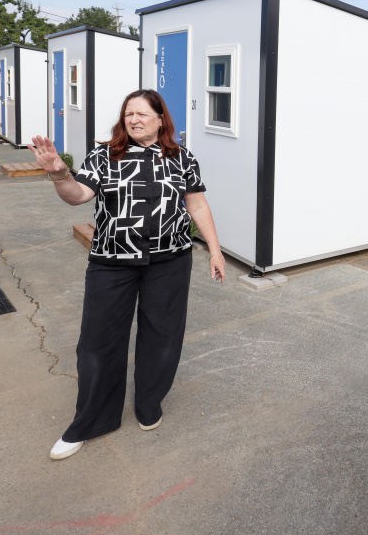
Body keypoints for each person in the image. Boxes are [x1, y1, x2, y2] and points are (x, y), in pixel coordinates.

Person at [27, 89, 226, 460]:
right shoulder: (104, 155)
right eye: (128, 114)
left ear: (161, 119)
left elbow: (196, 203)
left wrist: (214, 250)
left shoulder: (182, 159)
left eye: (142, 114)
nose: (133, 120)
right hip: (111, 262)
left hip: (170, 261)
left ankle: (149, 404)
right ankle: (90, 421)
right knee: (98, 342)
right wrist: (59, 174)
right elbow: (78, 195)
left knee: (163, 336)